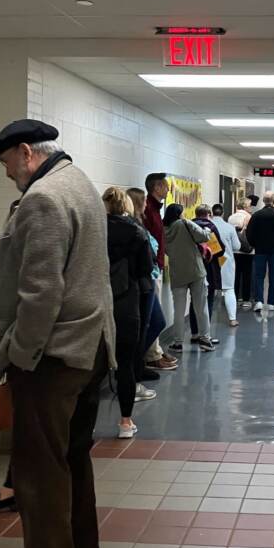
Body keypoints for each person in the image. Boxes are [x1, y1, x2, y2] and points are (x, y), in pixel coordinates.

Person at [0, 119, 115, 548]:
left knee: (37, 473)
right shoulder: (79, 182)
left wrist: (20, 356)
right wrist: (1, 251)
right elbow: (63, 256)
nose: (7, 175)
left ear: (26, 152)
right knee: (72, 456)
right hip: (90, 347)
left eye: (7, 164)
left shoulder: (43, 198)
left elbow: (42, 293)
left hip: (52, 357)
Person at [104, 188, 156, 439]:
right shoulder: (137, 232)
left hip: (98, 302)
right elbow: (146, 267)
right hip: (127, 300)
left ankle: (85, 423)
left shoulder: (95, 230)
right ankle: (125, 422)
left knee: (92, 366)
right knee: (126, 362)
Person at [126, 187, 166, 383]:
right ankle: (135, 368)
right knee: (145, 325)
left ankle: (138, 364)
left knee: (155, 322)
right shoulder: (132, 226)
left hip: (148, 278)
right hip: (142, 282)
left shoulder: (139, 223)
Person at [163, 203, 215, 353]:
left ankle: (178, 343)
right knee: (201, 307)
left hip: (177, 272)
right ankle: (205, 339)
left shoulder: (163, 229)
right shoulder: (184, 223)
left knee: (178, 310)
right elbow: (204, 236)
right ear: (179, 213)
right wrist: (206, 229)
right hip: (195, 271)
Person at [142, 173, 179, 372]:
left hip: (157, 265)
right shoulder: (148, 209)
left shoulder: (156, 210)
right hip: (151, 268)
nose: (168, 189)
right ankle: (151, 355)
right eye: (165, 186)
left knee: (157, 314)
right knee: (153, 316)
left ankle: (155, 351)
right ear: (156, 187)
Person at [245, 191, 274, 313]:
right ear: (273, 201)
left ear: (263, 201)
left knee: (259, 276)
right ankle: (272, 303)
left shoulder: (256, 215)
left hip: (260, 250)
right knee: (273, 276)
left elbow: (249, 233)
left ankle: (259, 301)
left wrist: (254, 244)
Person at [189, 204, 225, 344]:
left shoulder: (189, 226)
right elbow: (219, 250)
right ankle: (206, 334)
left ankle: (194, 333)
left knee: (194, 300)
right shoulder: (210, 228)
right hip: (209, 268)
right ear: (208, 214)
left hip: (192, 267)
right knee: (207, 301)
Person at [211, 203, 242, 327]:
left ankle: (206, 320)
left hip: (210, 262)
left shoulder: (208, 226)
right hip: (226, 261)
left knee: (208, 291)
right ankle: (232, 319)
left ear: (212, 213)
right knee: (229, 289)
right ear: (223, 213)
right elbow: (237, 246)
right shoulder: (229, 227)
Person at [228, 198, 253, 309]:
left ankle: (236, 297)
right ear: (246, 206)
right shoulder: (248, 217)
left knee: (236, 275)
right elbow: (251, 234)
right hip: (247, 251)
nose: (250, 208)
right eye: (249, 205)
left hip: (234, 250)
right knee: (247, 275)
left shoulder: (231, 217)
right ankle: (246, 299)